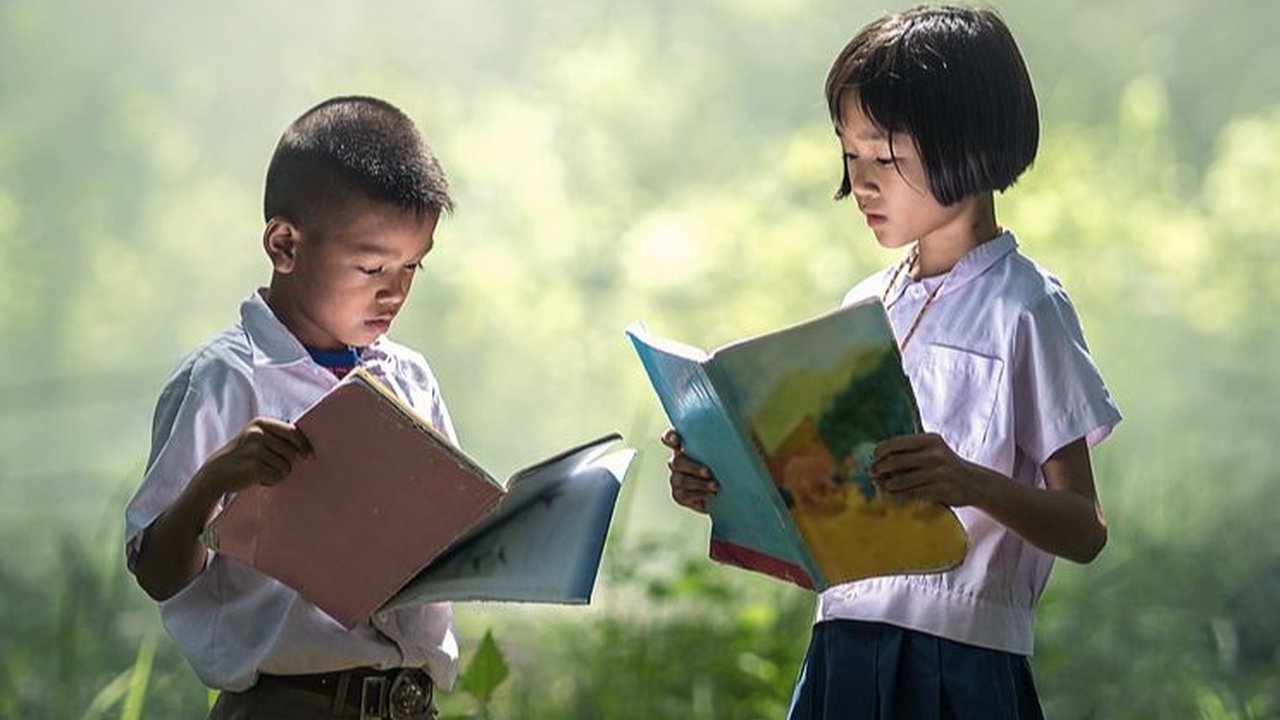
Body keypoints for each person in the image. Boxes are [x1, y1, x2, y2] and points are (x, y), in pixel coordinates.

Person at [663, 6, 1121, 718]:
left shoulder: (1026, 306)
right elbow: (821, 493)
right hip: (841, 645)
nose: (863, 182)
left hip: (961, 658)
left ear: (967, 145)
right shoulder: (865, 305)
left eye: (884, 156)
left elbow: (1083, 526)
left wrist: (967, 481)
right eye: (850, 156)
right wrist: (723, 477)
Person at [125, 96, 457, 720]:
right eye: (371, 266)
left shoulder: (410, 379)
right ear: (284, 245)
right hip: (287, 704)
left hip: (410, 703)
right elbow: (157, 573)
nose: (395, 291)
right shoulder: (224, 379)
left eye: (414, 265)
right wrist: (215, 480)